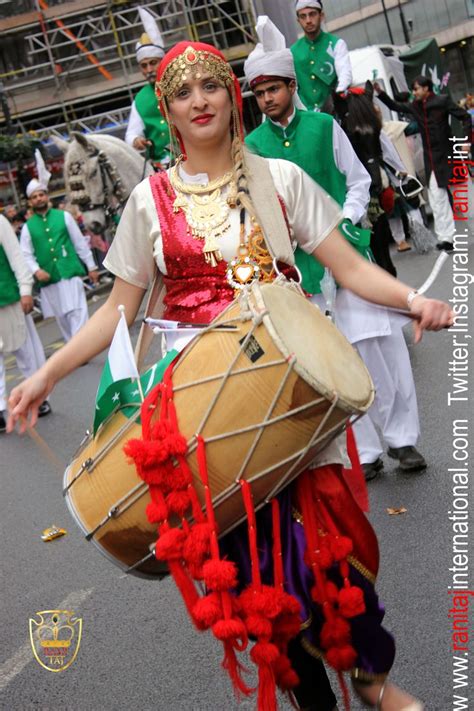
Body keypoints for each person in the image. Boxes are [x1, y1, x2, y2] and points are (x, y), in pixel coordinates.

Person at [9, 41, 453, 711]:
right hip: (201, 414)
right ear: (169, 110)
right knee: (263, 573)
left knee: (340, 542)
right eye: (183, 93)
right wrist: (46, 372)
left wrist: (412, 298)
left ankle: (370, 674)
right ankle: (316, 697)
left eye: (211, 87)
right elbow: (116, 314)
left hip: (291, 390)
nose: (199, 101)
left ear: (230, 95)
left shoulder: (278, 180)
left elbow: (350, 266)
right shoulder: (148, 203)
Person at [244, 31, 427, 478]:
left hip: (346, 252)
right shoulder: (252, 146)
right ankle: (364, 451)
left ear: (291, 87)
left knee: (380, 348)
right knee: (334, 356)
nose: (267, 98)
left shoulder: (325, 127)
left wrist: (345, 219)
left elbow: (358, 179)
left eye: (274, 89)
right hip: (299, 268)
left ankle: (403, 440)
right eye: (260, 92)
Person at [373, 76, 471, 251]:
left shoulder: (443, 100)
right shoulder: (416, 106)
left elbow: (465, 118)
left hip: (450, 156)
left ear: (427, 88)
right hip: (432, 161)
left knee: (463, 197)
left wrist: (466, 141)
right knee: (437, 199)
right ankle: (446, 238)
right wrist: (380, 93)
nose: (414, 92)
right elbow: (395, 106)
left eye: (417, 89)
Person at [20, 179, 99, 343]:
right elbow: (25, 254)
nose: (39, 198)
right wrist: (36, 270)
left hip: (69, 271)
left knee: (77, 310)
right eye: (34, 197)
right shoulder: (28, 227)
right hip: (50, 278)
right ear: (30, 202)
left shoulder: (64, 216)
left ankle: (80, 348)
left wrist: (91, 266)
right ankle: (74, 349)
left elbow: (79, 243)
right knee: (62, 316)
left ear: (47, 197)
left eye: (41, 195)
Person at [0, 214, 50, 432]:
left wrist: (25, 290)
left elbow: (16, 257)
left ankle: (37, 397)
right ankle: (0, 410)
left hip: (9, 298)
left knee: (26, 351)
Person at [125, 7, 169, 166]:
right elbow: (131, 134)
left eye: (152, 63)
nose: (149, 70)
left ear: (162, 62)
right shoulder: (140, 100)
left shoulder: (181, 85)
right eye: (144, 66)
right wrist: (137, 140)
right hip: (161, 165)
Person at [291, 1, 352, 112]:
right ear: (298, 20)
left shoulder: (336, 44)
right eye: (303, 16)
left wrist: (336, 99)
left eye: (312, 14)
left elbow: (345, 75)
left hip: (334, 114)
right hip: (306, 116)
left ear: (321, 15)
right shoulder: (292, 52)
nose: (308, 20)